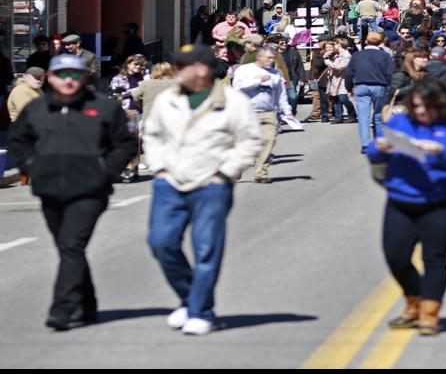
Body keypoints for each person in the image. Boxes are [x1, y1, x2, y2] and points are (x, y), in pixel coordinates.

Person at [7, 53, 136, 330]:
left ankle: (62, 309)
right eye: (61, 74)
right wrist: (31, 165)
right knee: (69, 249)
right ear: (50, 78)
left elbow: (125, 144)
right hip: (49, 189)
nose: (68, 80)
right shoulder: (37, 108)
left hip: (90, 190)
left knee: (71, 245)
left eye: (74, 75)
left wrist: (106, 171)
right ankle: (88, 304)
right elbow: (18, 141)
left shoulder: (102, 107)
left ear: (84, 77)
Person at [138, 43, 261, 336]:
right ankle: (190, 297)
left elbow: (249, 140)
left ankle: (201, 311)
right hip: (170, 184)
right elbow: (151, 134)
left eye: (182, 66)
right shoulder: (168, 99)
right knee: (161, 242)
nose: (176, 71)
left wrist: (225, 173)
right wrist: (160, 168)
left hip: (211, 185)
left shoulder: (233, 102)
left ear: (203, 70)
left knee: (206, 248)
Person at [367, 78, 446, 337]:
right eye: (416, 106)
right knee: (395, 256)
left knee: (434, 257)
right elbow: (373, 153)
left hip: (442, 202)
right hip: (401, 200)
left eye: (426, 107)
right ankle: (414, 298)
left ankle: (429, 313)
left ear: (442, 105)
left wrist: (442, 153)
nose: (420, 112)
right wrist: (380, 148)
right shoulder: (400, 122)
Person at [230, 43, 297, 183]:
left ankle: (260, 172)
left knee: (269, 141)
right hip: (247, 113)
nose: (271, 60)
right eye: (269, 58)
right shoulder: (244, 70)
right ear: (259, 57)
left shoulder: (275, 73)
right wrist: (258, 80)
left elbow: (280, 94)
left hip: (268, 113)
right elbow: (237, 87)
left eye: (273, 58)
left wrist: (287, 111)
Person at [346, 30, 397, 152]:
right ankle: (379, 142)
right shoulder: (385, 55)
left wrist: (349, 88)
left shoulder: (357, 55)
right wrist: (390, 88)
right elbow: (390, 73)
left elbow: (349, 73)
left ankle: (365, 144)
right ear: (380, 42)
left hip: (361, 86)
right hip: (380, 86)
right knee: (378, 116)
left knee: (363, 117)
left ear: (366, 42)